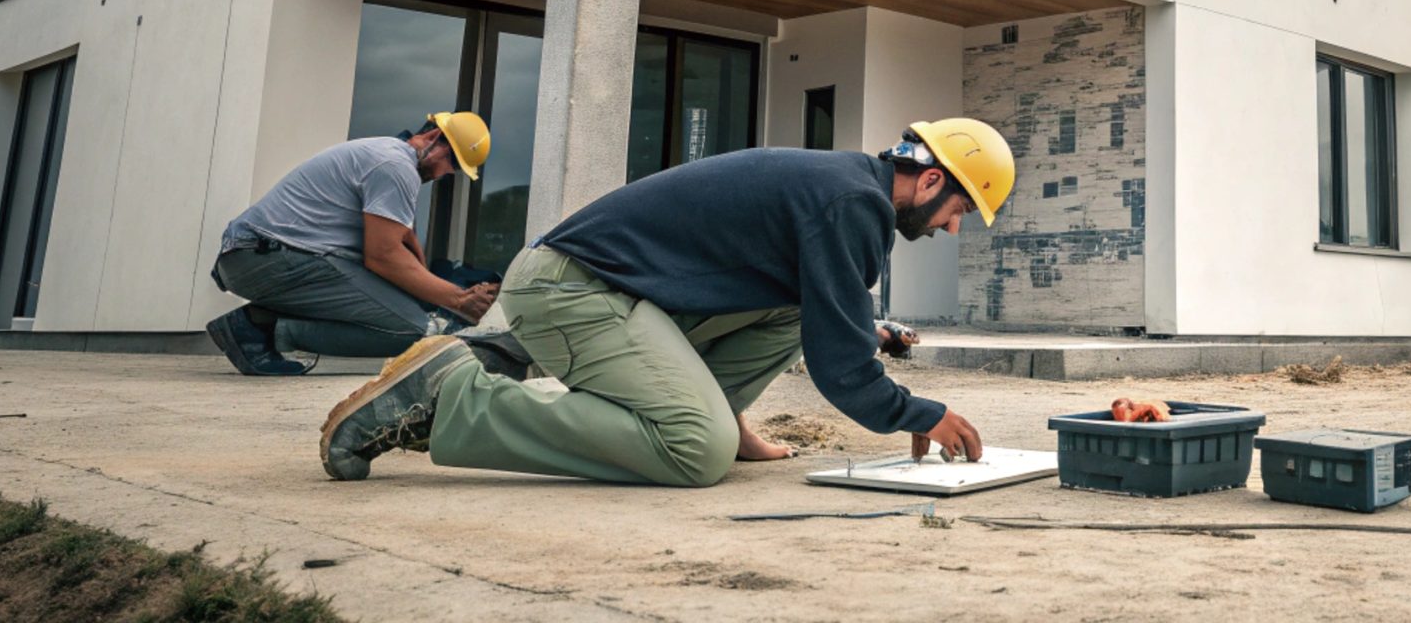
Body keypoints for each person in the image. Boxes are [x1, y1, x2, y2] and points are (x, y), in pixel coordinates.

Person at [315, 118, 1016, 487]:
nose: (952, 228)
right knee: (692, 452)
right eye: (960, 209)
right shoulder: (852, 205)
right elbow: (841, 368)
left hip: (603, 289)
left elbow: (825, 313)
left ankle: (721, 413)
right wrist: (920, 413)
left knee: (797, 307)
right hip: (570, 291)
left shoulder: (843, 186)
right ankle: (457, 397)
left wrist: (868, 329)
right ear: (929, 183)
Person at [205, 113, 499, 376]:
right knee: (409, 329)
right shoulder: (396, 167)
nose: (446, 174)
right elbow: (383, 256)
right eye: (453, 163)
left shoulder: (388, 156)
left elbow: (404, 244)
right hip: (264, 259)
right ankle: (261, 327)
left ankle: (257, 322)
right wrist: (458, 300)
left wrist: (432, 295)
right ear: (434, 137)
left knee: (403, 307)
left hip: (259, 256)